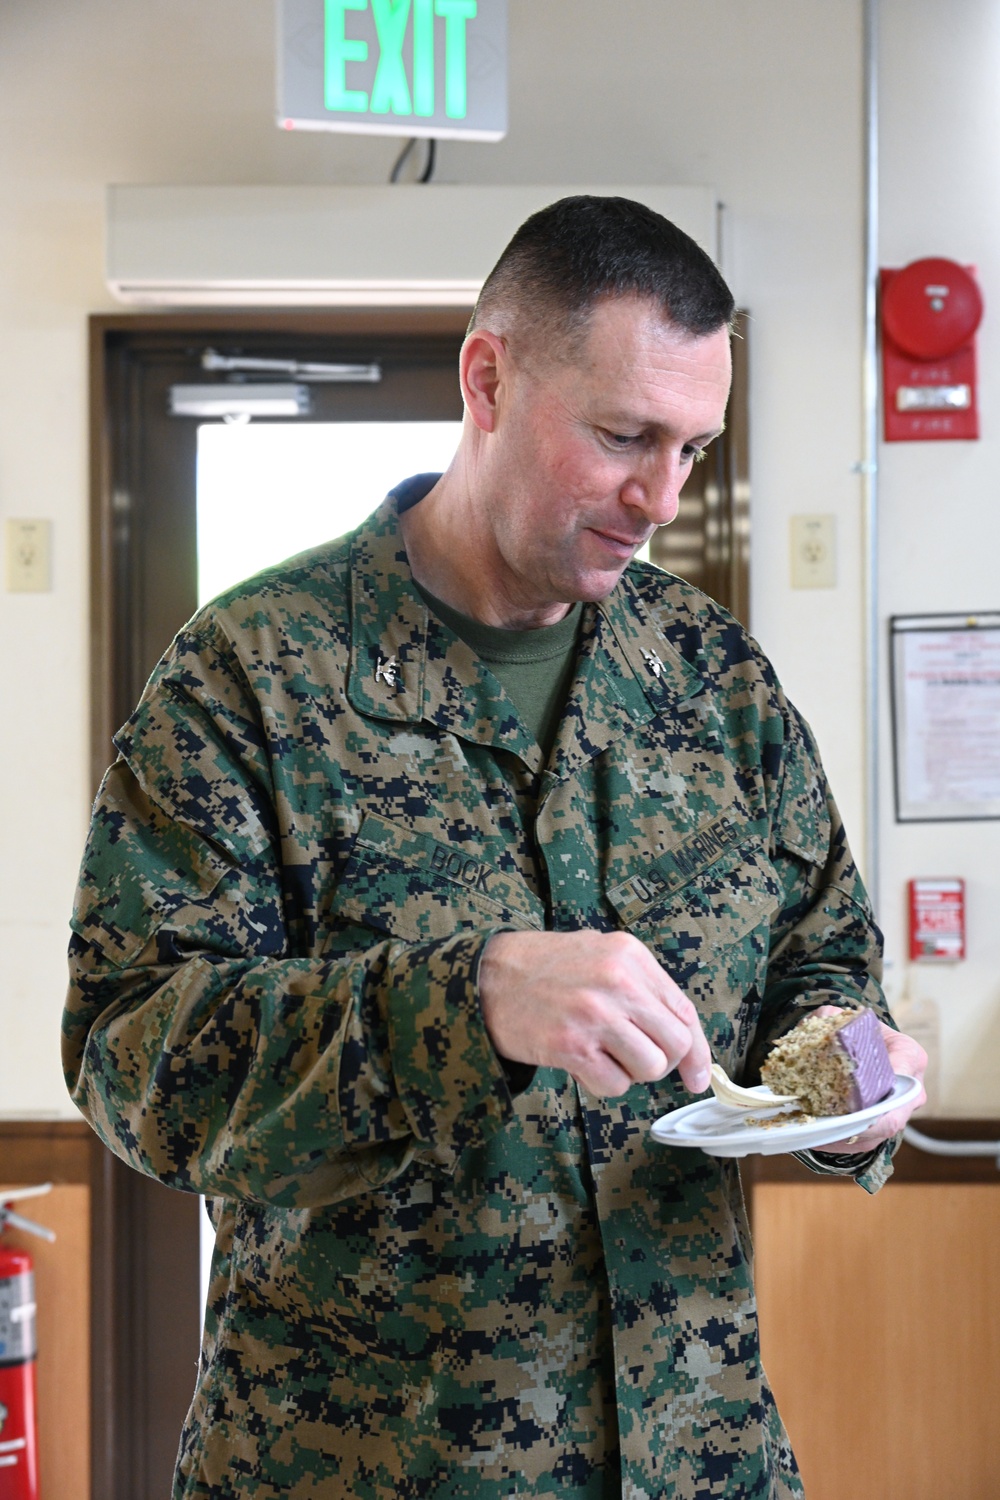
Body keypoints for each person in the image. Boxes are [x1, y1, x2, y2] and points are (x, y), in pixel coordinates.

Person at [64, 195, 926, 1500]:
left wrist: (852, 1080)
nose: (664, 499)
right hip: (367, 1464)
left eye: (695, 448)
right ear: (487, 377)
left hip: (700, 1457)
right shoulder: (256, 674)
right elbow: (133, 1060)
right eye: (625, 435)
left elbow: (823, 949)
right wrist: (463, 1002)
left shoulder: (712, 678)